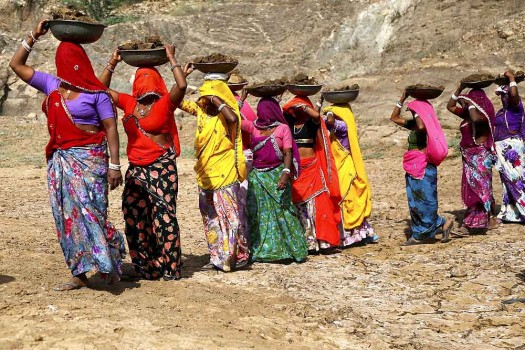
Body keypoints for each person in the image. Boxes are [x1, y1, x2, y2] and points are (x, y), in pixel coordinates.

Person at [9, 20, 125, 291]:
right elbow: (16, 66)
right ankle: (80, 272)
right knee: (68, 217)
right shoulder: (52, 85)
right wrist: (33, 36)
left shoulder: (97, 93)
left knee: (94, 213)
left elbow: (111, 128)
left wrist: (115, 165)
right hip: (61, 161)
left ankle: (110, 259)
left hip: (91, 160)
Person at [98, 46, 187, 280]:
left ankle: (170, 267)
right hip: (136, 168)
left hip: (162, 167)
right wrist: (113, 61)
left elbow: (182, 86)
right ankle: (144, 265)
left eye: (149, 78)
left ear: (157, 81)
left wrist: (171, 58)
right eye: (141, 78)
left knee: (164, 216)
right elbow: (99, 88)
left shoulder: (166, 103)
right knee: (133, 214)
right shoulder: (129, 103)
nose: (145, 83)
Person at [179, 71, 249, 272]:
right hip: (205, 174)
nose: (205, 99)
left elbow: (234, 118)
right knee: (210, 216)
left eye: (210, 95)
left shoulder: (225, 113)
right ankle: (216, 256)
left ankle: (230, 257)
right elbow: (176, 101)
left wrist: (215, 99)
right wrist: (181, 77)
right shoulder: (200, 111)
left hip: (224, 171)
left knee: (228, 216)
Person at [240, 97, 308, 262]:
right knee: (260, 213)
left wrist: (286, 173)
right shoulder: (254, 126)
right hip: (258, 177)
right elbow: (235, 120)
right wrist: (239, 103)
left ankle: (289, 250)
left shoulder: (283, 128)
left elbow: (288, 151)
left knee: (282, 210)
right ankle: (263, 251)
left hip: (277, 174)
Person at [391, 90, 454, 245]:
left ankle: (422, 234)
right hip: (413, 165)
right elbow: (393, 118)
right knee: (414, 200)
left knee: (426, 200)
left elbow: (421, 126)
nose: (412, 114)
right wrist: (402, 100)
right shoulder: (413, 125)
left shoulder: (424, 127)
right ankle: (440, 224)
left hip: (424, 166)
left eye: (413, 112)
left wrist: (417, 110)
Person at [282, 95, 342, 253]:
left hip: (312, 167)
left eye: (300, 107)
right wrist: (294, 105)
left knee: (318, 205)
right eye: (296, 108)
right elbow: (283, 111)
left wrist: (304, 106)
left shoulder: (312, 123)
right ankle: (309, 243)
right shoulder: (290, 123)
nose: (297, 110)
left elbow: (317, 115)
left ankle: (325, 242)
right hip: (297, 169)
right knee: (301, 207)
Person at [321, 97, 378, 247]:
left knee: (347, 199)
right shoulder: (340, 127)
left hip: (346, 169)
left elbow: (330, 122)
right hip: (340, 167)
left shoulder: (343, 126)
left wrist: (328, 111)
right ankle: (357, 233)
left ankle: (351, 235)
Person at [447, 84, 498, 235]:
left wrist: (470, 104)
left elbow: (475, 118)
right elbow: (450, 106)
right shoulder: (467, 116)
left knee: (480, 191)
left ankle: (472, 223)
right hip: (469, 157)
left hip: (480, 158)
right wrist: (458, 89)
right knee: (478, 189)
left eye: (473, 101)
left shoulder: (482, 118)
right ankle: (488, 219)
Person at [228, 75, 257, 246]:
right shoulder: (245, 105)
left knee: (236, 198)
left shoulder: (224, 103)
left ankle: (240, 238)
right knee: (244, 196)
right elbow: (253, 127)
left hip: (234, 155)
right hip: (247, 153)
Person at [493, 70, 525, 223]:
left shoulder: (516, 108)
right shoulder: (501, 112)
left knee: (516, 179)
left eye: (504, 95)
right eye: (501, 96)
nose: (503, 98)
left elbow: (514, 95)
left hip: (513, 150)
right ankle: (508, 213)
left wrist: (511, 78)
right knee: (506, 181)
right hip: (501, 149)